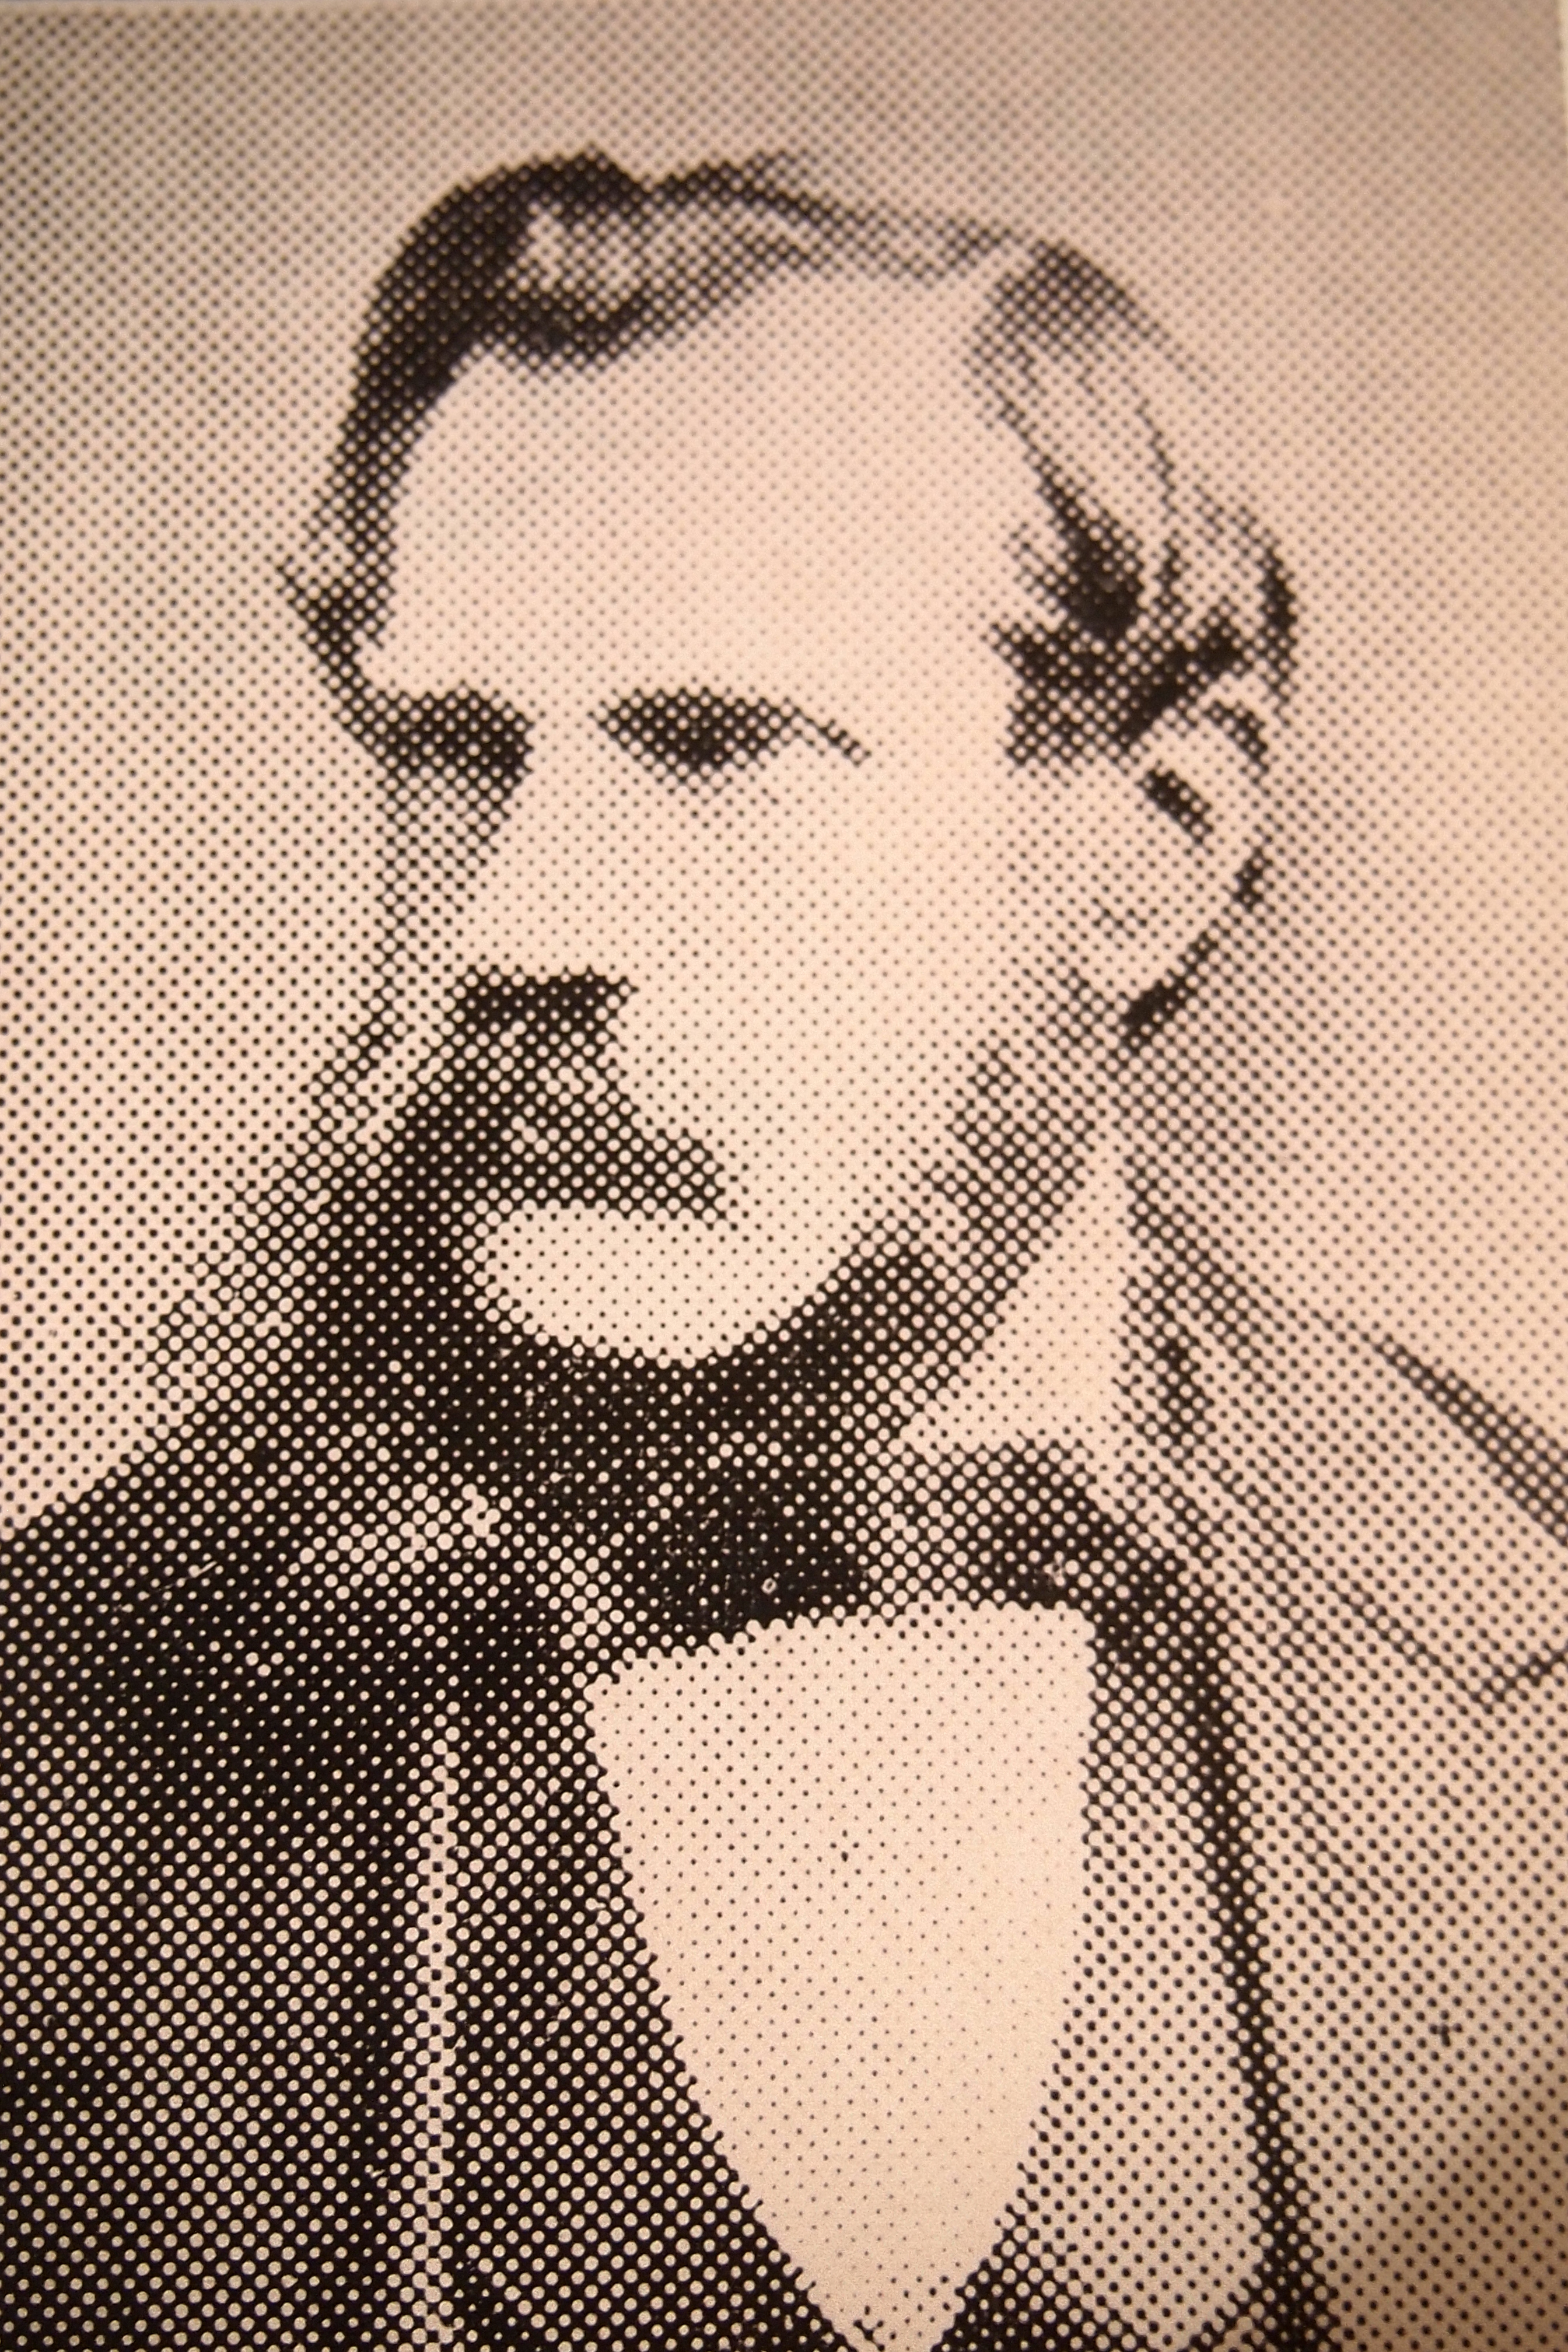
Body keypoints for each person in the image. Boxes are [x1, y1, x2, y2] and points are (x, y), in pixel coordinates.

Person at [3, 152, 1564, 2352]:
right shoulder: (47, 1722)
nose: (524, 926)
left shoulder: (1522, 1624)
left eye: (719, 750)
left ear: (1155, 844)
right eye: (457, 756)